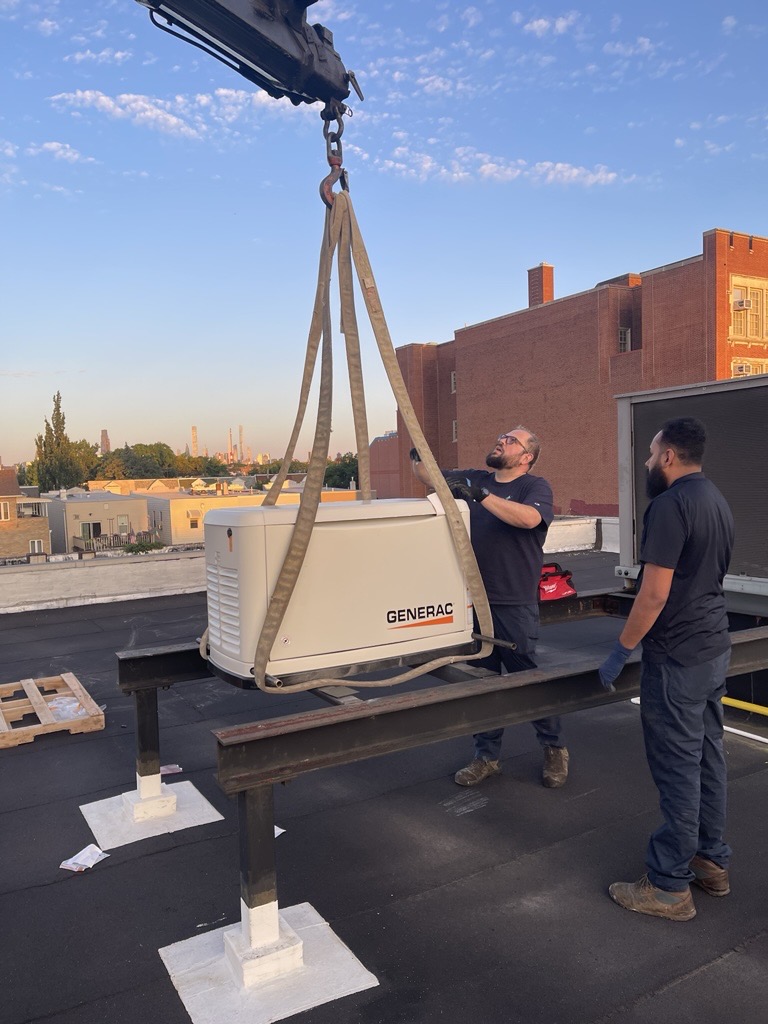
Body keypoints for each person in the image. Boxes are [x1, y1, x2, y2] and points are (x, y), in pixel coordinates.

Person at [599, 416, 734, 922]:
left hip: (677, 657)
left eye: (652, 454)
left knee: (678, 768)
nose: (649, 462)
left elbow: (654, 593)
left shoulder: (671, 505)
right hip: (712, 648)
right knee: (707, 759)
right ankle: (710, 861)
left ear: (669, 456)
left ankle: (668, 886)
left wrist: (621, 648)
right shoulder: (715, 500)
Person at [411, 426, 569, 789]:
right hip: (474, 603)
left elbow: (529, 519)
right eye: (501, 436)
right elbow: (426, 474)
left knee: (526, 681)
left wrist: (481, 496)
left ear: (527, 457)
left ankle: (554, 748)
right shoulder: (476, 477)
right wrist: (416, 450)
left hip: (513, 601)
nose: (501, 440)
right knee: (481, 684)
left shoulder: (534, 487)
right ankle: (487, 757)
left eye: (511, 440)